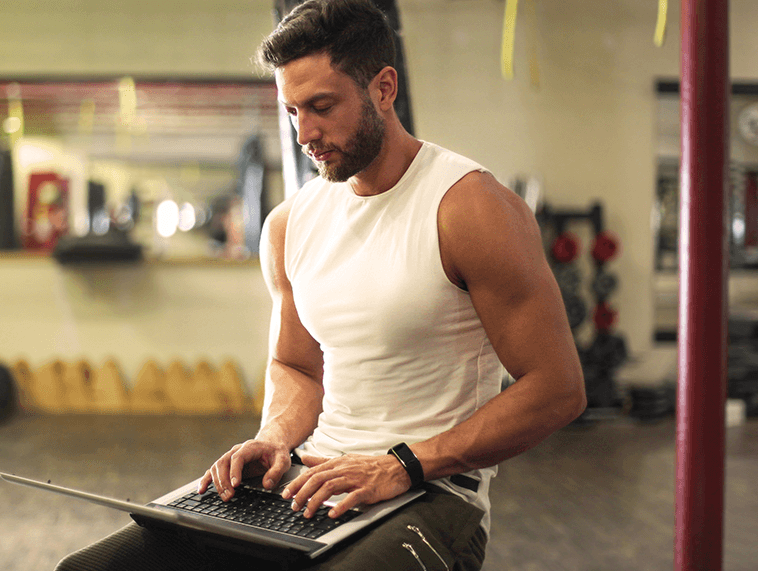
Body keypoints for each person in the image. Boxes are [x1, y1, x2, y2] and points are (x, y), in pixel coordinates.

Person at [56, 1, 584, 569]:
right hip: (312, 480)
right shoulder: (290, 223)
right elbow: (297, 367)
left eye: (322, 106)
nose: (305, 133)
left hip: (431, 494)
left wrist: (400, 464)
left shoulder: (469, 209)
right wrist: (277, 434)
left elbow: (557, 389)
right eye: (291, 112)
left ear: (384, 89)